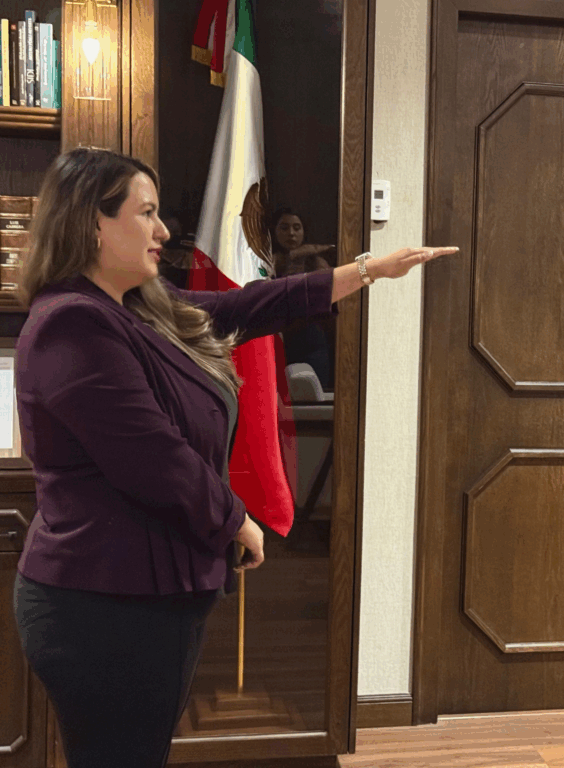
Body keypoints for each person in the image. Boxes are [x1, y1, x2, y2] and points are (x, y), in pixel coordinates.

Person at [11, 147, 457, 768]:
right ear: (93, 224)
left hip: (147, 595)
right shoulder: (73, 325)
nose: (163, 231)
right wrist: (236, 521)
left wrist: (366, 270)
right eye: (146, 213)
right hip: (103, 605)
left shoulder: (138, 305)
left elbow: (243, 307)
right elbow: (154, 458)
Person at [270, 207, 335, 389]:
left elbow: (331, 300)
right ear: (274, 231)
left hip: (312, 342)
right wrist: (292, 258)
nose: (291, 233)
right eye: (284, 228)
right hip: (277, 340)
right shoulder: (267, 262)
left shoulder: (316, 262)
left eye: (297, 228)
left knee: (314, 396)